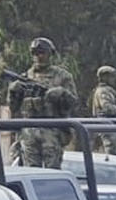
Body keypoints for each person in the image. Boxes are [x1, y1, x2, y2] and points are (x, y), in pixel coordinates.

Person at [12, 37, 79, 169]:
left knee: (52, 169)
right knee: (30, 170)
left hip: (52, 129)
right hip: (29, 130)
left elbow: (74, 104)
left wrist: (62, 93)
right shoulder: (25, 77)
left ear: (50, 54)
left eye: (42, 53)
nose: (38, 57)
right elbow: (14, 107)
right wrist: (13, 92)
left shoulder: (63, 76)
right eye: (35, 53)